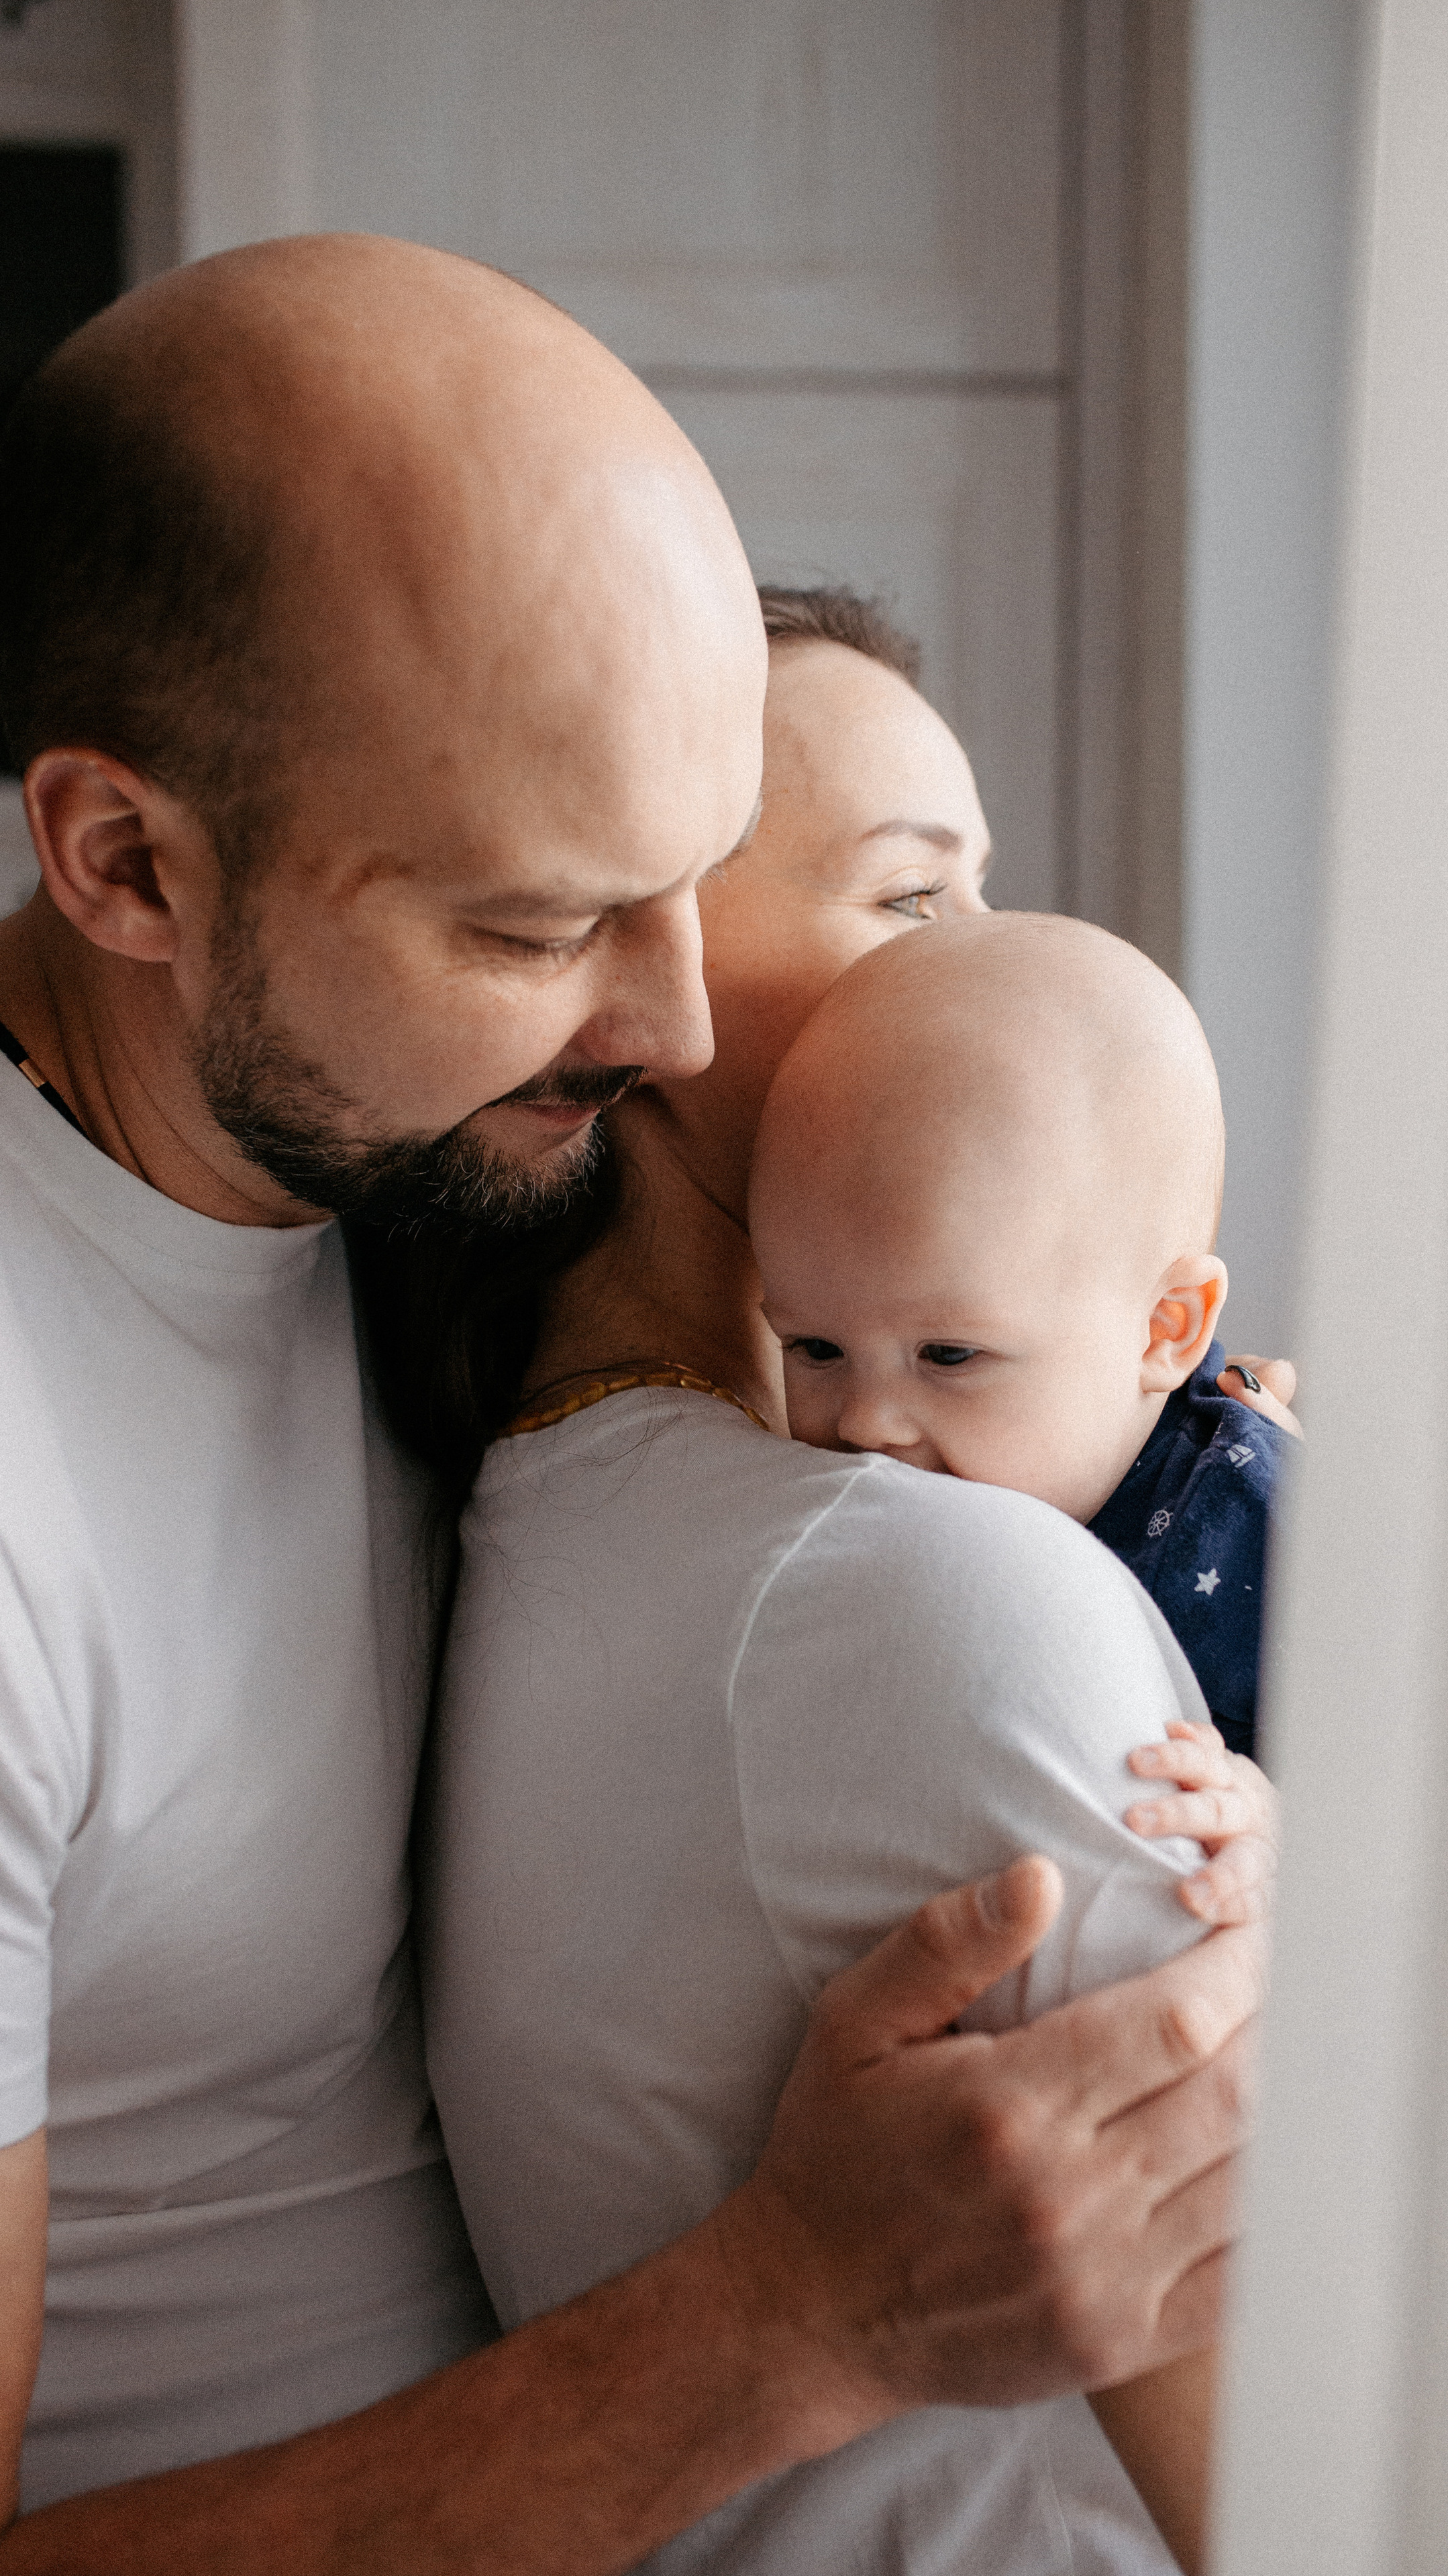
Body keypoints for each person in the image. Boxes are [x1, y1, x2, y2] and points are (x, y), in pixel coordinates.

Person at [0, 237, 1264, 2566]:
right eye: (537, 923)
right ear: (123, 864)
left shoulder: (398, 1194)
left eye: (693, 878)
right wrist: (784, 2321)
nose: (673, 1026)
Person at [419, 602, 1289, 2574]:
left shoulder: (548, 1529)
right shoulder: (931, 1595)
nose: (992, 959)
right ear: (634, 981)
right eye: (916, 894)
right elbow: (1334, 2483)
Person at [749, 908, 1290, 1763]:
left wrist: (1272, 1825)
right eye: (815, 1348)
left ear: (1164, 1328)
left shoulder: (1249, 1536)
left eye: (948, 1354)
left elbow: (1430, 1804)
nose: (863, 1424)